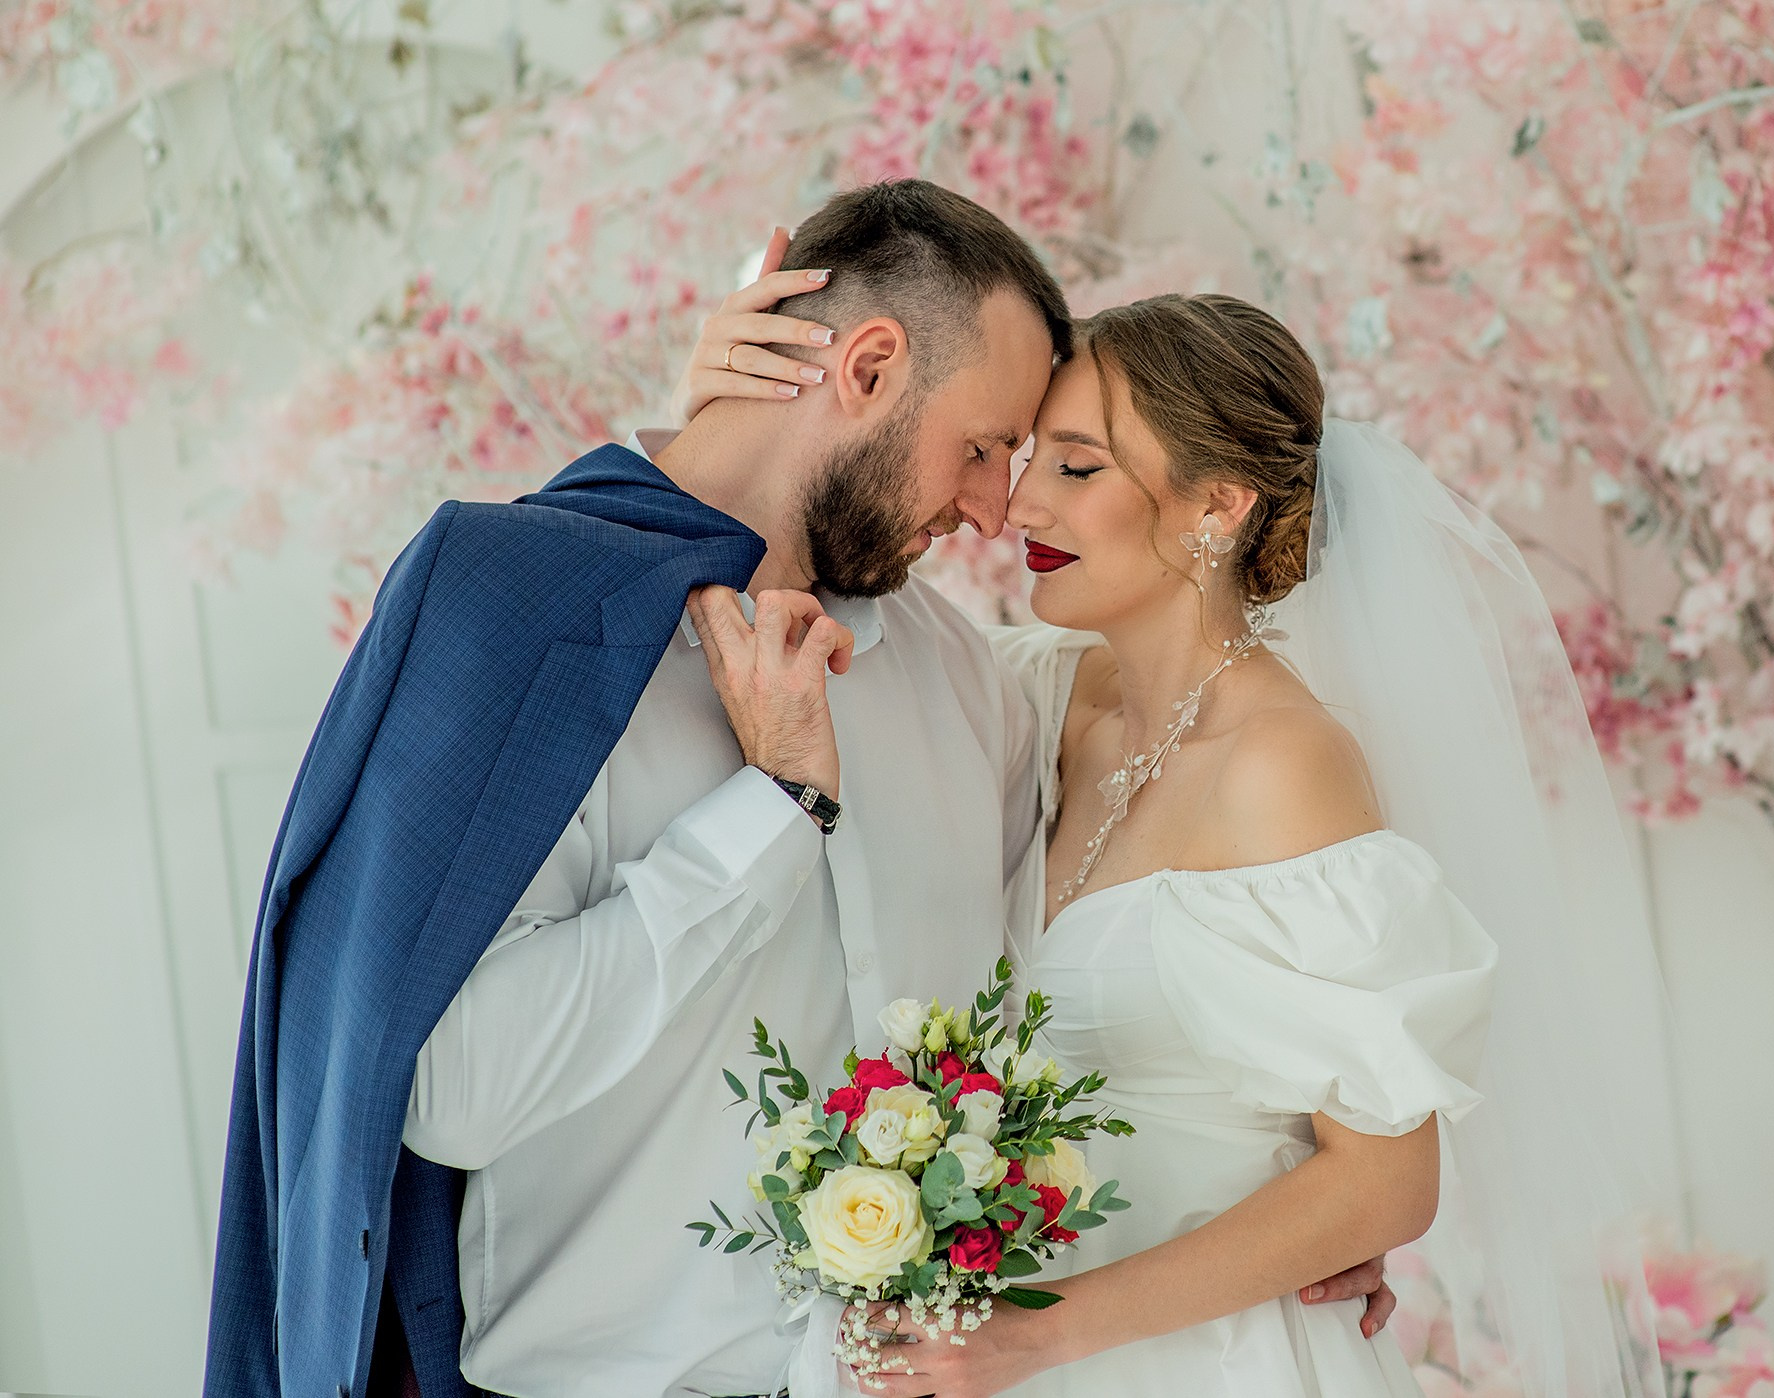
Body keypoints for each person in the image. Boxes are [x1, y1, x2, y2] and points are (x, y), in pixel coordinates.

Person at [205, 178, 1390, 1398]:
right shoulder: (526, 617)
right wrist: (770, 815)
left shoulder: (969, 682)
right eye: (984, 448)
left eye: (1036, 461)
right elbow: (451, 1098)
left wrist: (1293, 1206)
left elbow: (1064, 1017)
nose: (997, 509)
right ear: (868, 368)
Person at [684, 288, 1680, 1398]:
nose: (1016, 507)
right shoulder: (1033, 692)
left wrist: (1034, 1336)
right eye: (1025, 458)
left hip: (1204, 1360)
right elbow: (798, 587)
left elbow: (1383, 1185)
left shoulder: (1283, 765)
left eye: (1076, 466)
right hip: (1002, 1353)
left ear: (1216, 507)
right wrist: (723, 410)